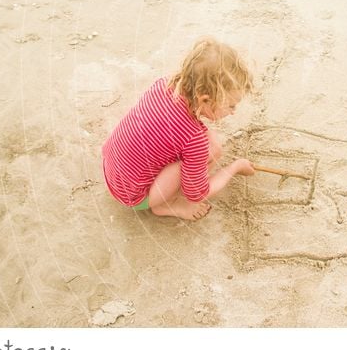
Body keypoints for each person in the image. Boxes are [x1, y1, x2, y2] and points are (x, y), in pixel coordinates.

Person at [101, 37, 255, 220]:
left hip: (111, 167)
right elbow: (198, 194)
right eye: (230, 105)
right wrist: (234, 168)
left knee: (208, 149)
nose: (233, 112)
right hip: (132, 196)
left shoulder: (164, 85)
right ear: (205, 99)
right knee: (194, 160)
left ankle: (163, 194)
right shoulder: (193, 139)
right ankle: (168, 205)